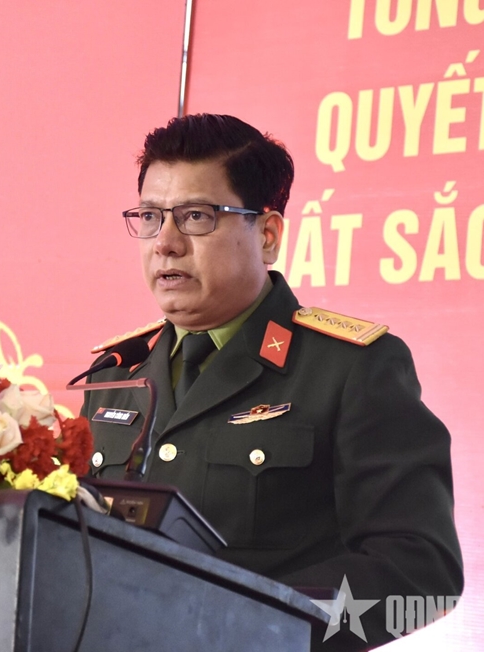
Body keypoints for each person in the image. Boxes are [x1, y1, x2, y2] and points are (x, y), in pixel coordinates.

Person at [82, 114, 463, 651]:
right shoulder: (114, 373)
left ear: (267, 235)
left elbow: (423, 576)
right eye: (150, 216)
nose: (165, 243)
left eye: (195, 217)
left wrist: (254, 627)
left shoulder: (351, 368)